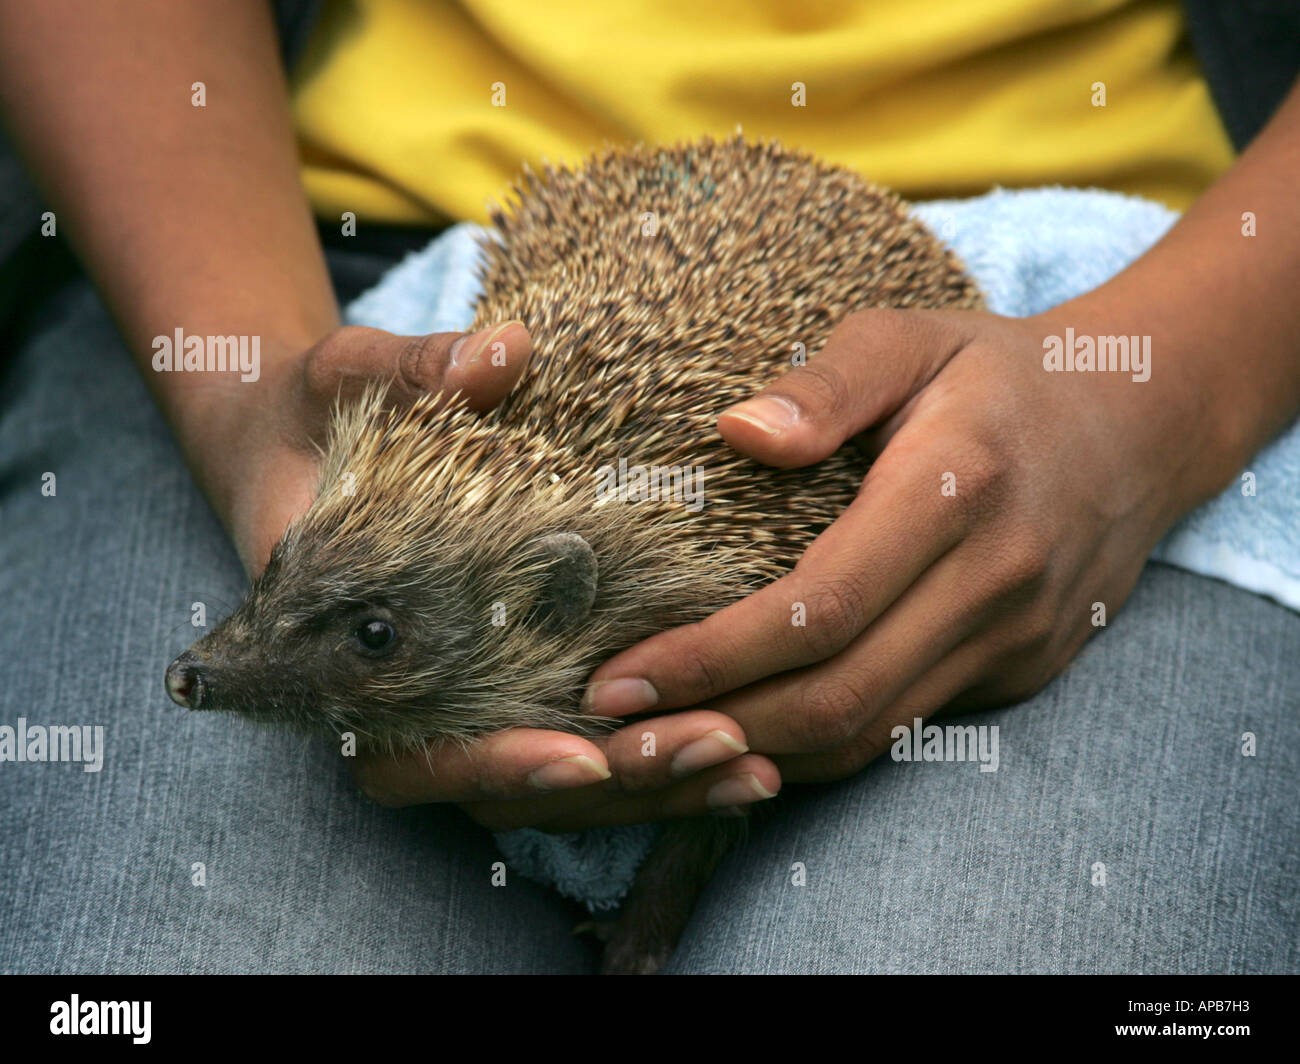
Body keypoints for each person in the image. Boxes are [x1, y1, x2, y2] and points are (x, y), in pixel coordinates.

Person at [0, 0, 1295, 974]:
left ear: (558, 602)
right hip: (284, 258)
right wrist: (244, 396)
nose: (213, 666)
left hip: (1137, 307)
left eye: (378, 634)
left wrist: (1163, 398)